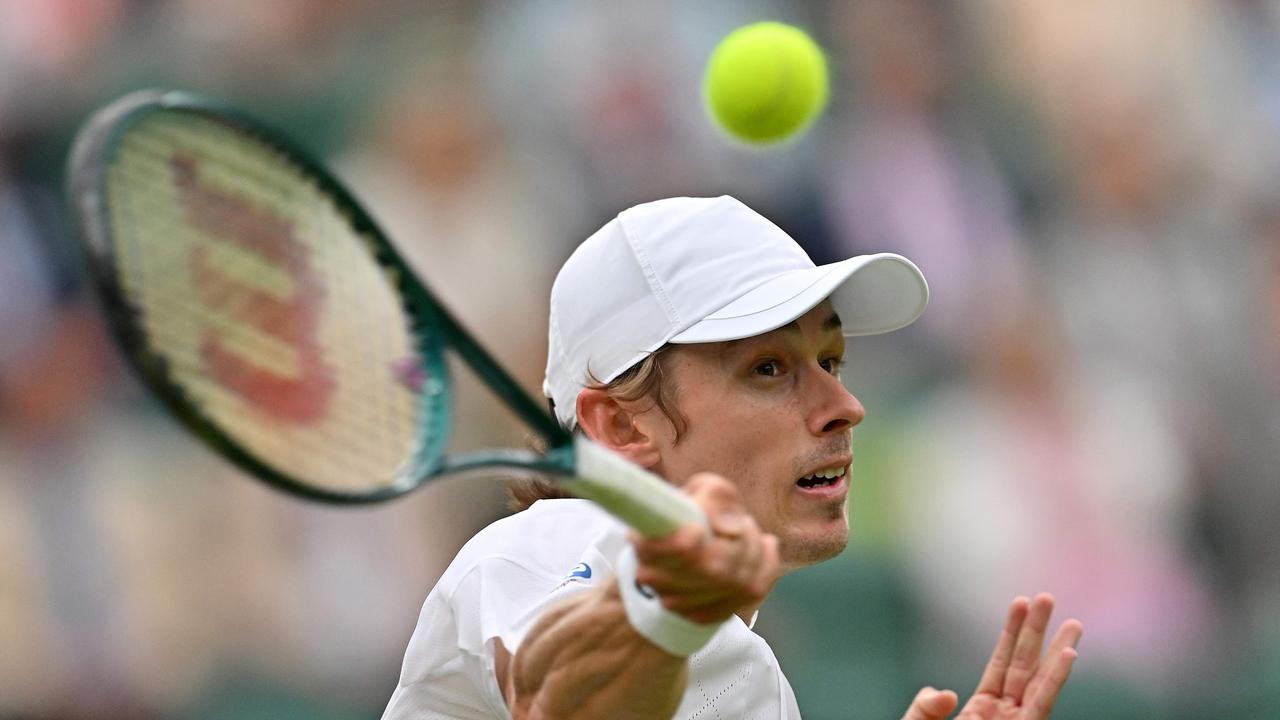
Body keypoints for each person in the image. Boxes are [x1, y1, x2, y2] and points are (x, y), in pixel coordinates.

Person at [382, 196, 1083, 719]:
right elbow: (560, 701)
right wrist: (671, 614)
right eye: (768, 369)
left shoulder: (745, 670)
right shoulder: (534, 554)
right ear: (623, 427)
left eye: (831, 358)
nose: (845, 404)